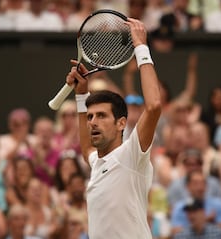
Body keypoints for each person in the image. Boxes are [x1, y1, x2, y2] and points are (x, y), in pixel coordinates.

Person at [65, 18, 162, 238]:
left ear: (121, 123)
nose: (92, 122)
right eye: (90, 117)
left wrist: (141, 48)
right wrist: (81, 94)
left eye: (101, 116)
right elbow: (87, 150)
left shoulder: (131, 155)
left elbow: (154, 106)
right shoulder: (97, 163)